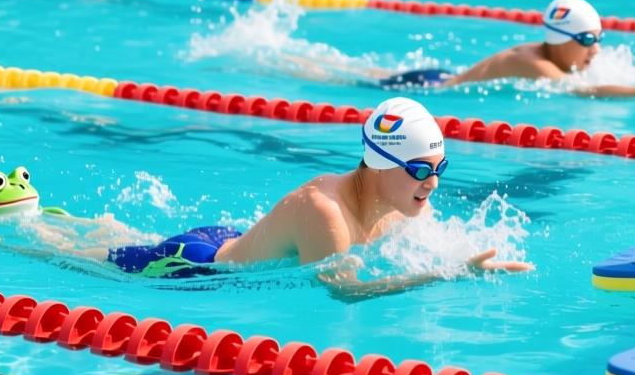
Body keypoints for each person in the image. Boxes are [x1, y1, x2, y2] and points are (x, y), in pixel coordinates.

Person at [94, 97, 533, 294]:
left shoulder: (405, 202)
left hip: (231, 240)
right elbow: (347, 292)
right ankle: (52, 227)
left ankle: (97, 229)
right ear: (381, 163)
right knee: (84, 256)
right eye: (420, 170)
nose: (433, 183)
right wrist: (444, 275)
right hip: (193, 267)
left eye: (439, 168)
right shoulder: (327, 215)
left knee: (116, 237)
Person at [385, 0, 635, 108]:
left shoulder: (564, 56)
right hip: (428, 86)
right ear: (561, 40)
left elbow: (625, 75)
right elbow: (583, 91)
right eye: (586, 40)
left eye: (599, 38)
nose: (596, 49)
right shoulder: (536, 65)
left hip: (440, 75)